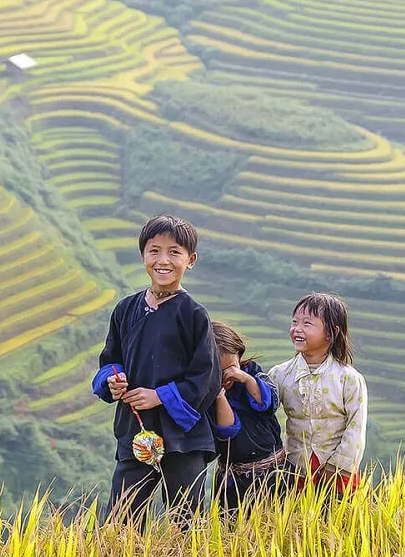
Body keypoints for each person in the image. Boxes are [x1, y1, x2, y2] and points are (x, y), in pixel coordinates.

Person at [91, 214, 221, 528]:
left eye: (174, 252)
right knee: (121, 522)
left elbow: (207, 377)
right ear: (143, 256)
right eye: (154, 250)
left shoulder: (193, 314)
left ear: (190, 260)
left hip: (183, 437)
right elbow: (111, 359)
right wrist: (114, 381)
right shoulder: (126, 309)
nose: (163, 260)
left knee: (185, 523)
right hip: (136, 432)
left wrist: (159, 396)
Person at [268, 292, 367, 496]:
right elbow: (263, 412)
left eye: (307, 323)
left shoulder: (348, 378)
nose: (297, 329)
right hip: (295, 469)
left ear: (331, 332)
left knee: (338, 523)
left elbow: (355, 427)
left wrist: (338, 467)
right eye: (295, 321)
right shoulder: (280, 374)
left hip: (338, 474)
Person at [211, 321, 291, 515]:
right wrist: (219, 397)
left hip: (274, 472)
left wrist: (246, 379)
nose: (227, 377)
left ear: (239, 357)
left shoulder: (252, 372)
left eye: (232, 368)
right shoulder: (206, 394)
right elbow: (228, 431)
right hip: (234, 479)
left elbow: (268, 404)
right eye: (218, 372)